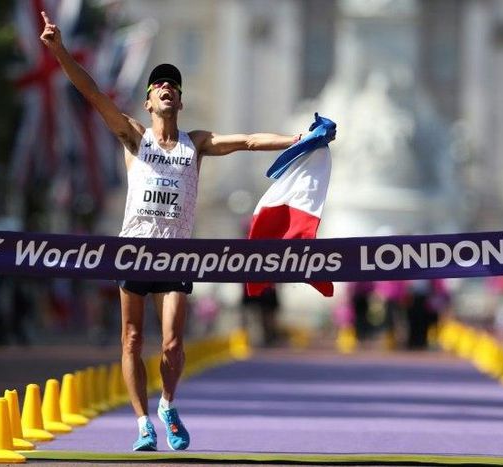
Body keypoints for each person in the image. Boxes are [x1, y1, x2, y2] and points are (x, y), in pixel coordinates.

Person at [40, 11, 307, 451]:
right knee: (130, 337)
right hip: (135, 251)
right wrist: (58, 50)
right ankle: (143, 422)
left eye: (174, 87)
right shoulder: (133, 136)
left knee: (172, 342)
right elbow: (89, 91)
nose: (168, 88)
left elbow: (247, 140)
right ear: (148, 101)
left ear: (180, 103)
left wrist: (299, 140)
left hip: (177, 253)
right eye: (160, 85)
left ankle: (166, 402)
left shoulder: (195, 143)